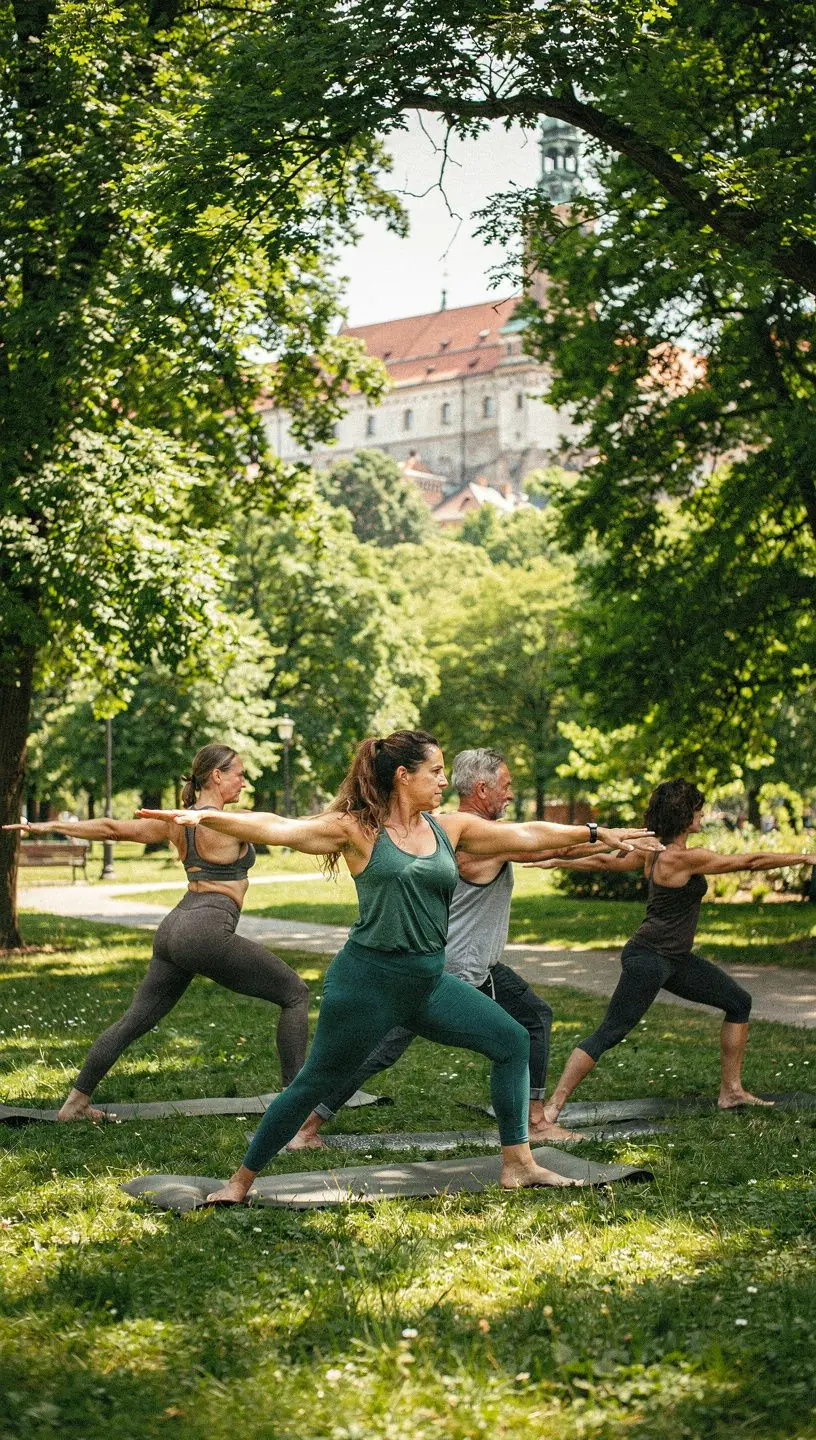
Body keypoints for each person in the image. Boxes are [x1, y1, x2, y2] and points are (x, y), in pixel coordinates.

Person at [139, 729, 661, 1202]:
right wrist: (206, 817)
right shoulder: (357, 830)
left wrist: (595, 832)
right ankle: (239, 1182)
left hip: (428, 982)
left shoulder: (450, 828)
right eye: (435, 771)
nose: (444, 781)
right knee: (312, 1083)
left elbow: (527, 835)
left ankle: (518, 1164)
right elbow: (280, 827)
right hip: (367, 983)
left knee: (512, 1041)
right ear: (403, 776)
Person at [287, 747, 588, 1152]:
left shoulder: (450, 830)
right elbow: (548, 847)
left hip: (468, 964)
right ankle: (304, 1127)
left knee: (531, 1017)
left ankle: (533, 1120)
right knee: (379, 1048)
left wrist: (610, 844)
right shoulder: (470, 837)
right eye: (505, 786)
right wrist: (607, 840)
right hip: (449, 968)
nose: (510, 793)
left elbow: (549, 849)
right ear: (481, 789)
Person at [5, 743, 309, 1121]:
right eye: (239, 775)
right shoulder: (235, 821)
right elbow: (294, 829)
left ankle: (76, 1102)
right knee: (294, 994)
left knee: (135, 1020)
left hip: (174, 928)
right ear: (217, 776)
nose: (244, 783)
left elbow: (112, 828)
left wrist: (49, 826)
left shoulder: (174, 821)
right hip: (205, 930)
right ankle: (294, 1112)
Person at [532, 777, 814, 1123]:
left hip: (674, 959)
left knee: (739, 1002)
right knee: (611, 1031)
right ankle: (552, 1107)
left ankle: (731, 1091)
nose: (702, 815)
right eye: (698, 810)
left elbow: (607, 862)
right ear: (684, 816)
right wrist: (804, 858)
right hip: (650, 959)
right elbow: (751, 861)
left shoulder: (653, 851)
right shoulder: (682, 858)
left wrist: (559, 860)